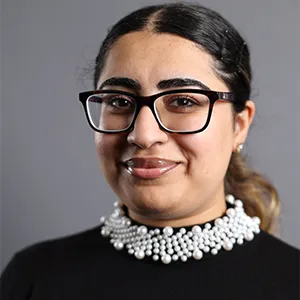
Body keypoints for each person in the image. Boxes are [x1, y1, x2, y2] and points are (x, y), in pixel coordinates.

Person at [1, 2, 299, 299]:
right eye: (119, 101)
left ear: (239, 124)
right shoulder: (34, 278)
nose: (143, 134)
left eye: (183, 101)